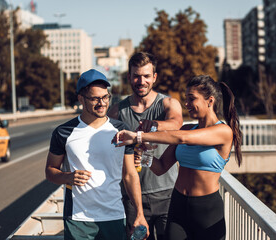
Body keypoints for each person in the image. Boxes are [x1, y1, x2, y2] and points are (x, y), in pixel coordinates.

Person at [112, 75, 243, 240]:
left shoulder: (223, 132)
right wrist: (145, 155)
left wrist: (138, 136)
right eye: (186, 99)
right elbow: (160, 168)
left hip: (207, 210)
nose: (186, 104)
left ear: (210, 101)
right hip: (177, 205)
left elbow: (182, 138)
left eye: (191, 99)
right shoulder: (187, 128)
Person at [45, 69, 149, 240]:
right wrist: (68, 177)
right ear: (81, 99)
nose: (102, 103)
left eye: (105, 97)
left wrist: (139, 213)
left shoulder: (121, 131)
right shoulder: (63, 132)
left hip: (114, 215)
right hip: (78, 219)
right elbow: (50, 171)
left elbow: (130, 175)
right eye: (95, 99)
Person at [108, 52, 183, 240]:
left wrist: (153, 126)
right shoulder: (117, 111)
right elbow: (106, 147)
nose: (141, 81)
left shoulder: (168, 104)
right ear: (129, 77)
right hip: (133, 199)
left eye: (146, 76)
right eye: (136, 76)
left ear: (154, 77)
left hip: (167, 195)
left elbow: (176, 124)